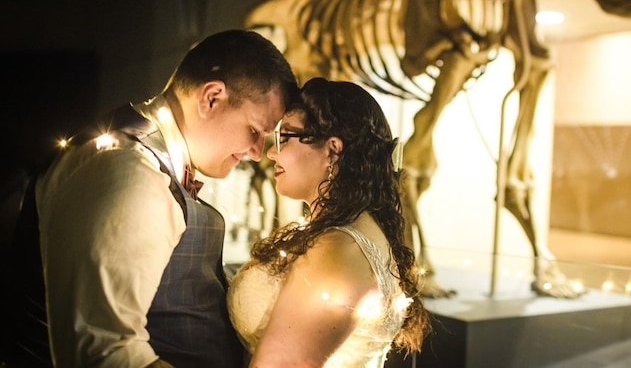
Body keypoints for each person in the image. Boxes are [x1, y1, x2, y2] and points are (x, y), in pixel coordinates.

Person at [0, 29, 299, 368]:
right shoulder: (127, 171)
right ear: (211, 97)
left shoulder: (153, 164)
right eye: (255, 130)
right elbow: (105, 352)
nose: (258, 153)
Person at [227, 77, 432, 367]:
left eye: (285, 137)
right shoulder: (341, 234)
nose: (272, 152)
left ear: (333, 150)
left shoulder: (338, 251)